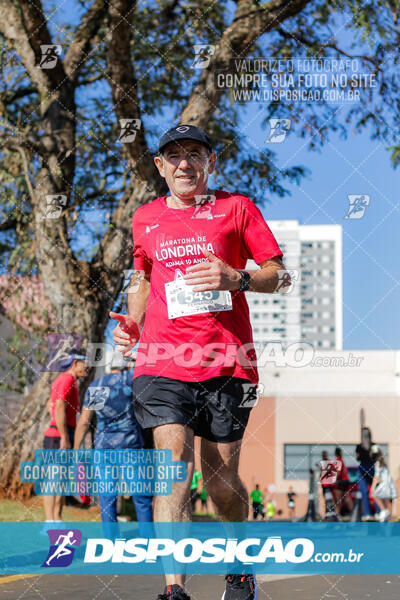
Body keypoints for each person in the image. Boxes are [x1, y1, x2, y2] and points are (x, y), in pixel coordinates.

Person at [110, 124, 288, 600]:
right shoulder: (145, 217)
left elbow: (280, 275)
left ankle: (239, 565)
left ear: (211, 161)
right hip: (161, 360)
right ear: (160, 165)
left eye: (195, 153)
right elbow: (142, 277)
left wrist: (238, 278)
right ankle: (175, 590)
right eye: (174, 155)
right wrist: (132, 320)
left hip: (227, 362)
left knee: (220, 480)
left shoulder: (237, 208)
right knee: (172, 468)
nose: (185, 163)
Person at [74, 354, 153, 525]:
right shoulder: (129, 380)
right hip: (130, 446)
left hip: (104, 448)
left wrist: (76, 448)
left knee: (107, 497)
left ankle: (111, 543)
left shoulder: (98, 386)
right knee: (141, 497)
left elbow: (85, 421)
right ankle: (148, 542)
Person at [42, 354, 89, 523]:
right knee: (53, 479)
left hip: (64, 432)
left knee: (61, 479)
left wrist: (56, 419)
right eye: (85, 363)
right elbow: (58, 405)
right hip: (58, 436)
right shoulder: (66, 379)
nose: (87, 367)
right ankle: (49, 521)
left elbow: (50, 405)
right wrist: (63, 435)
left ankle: (57, 519)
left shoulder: (72, 382)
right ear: (75, 363)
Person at [370, 445, 398, 521]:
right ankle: (387, 513)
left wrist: (373, 487)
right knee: (384, 499)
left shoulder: (378, 463)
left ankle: (384, 511)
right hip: (388, 483)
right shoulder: (382, 462)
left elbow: (376, 477)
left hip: (386, 484)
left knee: (374, 494)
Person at [355, 428, 376, 521]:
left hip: (368, 468)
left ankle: (374, 512)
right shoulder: (362, 446)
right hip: (366, 468)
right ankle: (369, 513)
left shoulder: (362, 447)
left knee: (372, 491)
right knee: (368, 492)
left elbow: (357, 457)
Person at [333, 447, 353, 516]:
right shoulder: (342, 460)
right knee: (347, 498)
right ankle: (354, 513)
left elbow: (338, 472)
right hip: (346, 481)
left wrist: (334, 480)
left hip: (340, 482)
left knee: (338, 500)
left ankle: (337, 514)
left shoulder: (338, 460)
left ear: (335, 453)